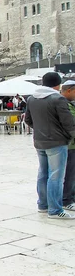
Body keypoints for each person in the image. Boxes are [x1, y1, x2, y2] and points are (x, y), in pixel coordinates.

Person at [25, 73, 75, 219]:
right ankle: (55, 210)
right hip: (57, 142)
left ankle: (43, 205)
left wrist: (41, 130)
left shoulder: (32, 98)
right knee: (56, 176)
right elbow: (69, 123)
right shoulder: (58, 99)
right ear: (58, 85)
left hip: (39, 141)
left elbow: (28, 120)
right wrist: (68, 136)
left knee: (43, 173)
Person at [61, 80, 75, 209]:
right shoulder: (63, 104)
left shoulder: (70, 103)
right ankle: (66, 199)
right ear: (69, 90)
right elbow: (69, 124)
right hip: (69, 144)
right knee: (69, 173)